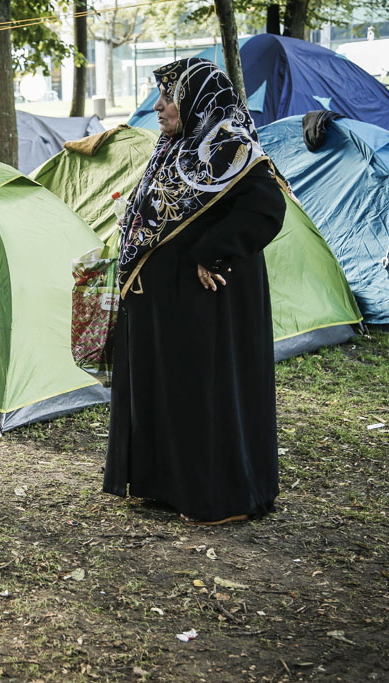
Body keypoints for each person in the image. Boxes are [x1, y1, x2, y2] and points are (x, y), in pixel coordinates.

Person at [102, 58, 286, 525]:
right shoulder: (176, 145)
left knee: (204, 391)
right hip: (166, 304)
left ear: (197, 99)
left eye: (169, 96)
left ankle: (218, 497)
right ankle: (165, 485)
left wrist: (212, 252)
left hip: (209, 306)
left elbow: (267, 208)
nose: (160, 107)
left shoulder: (230, 147)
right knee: (170, 389)